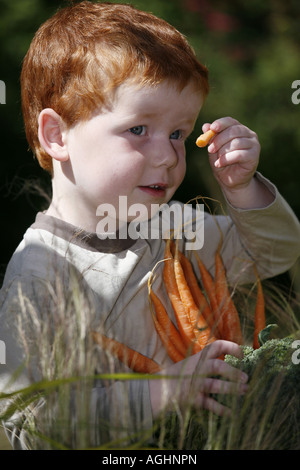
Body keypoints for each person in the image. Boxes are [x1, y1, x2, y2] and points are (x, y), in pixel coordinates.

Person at [1, 0, 300, 450]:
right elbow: (32, 424)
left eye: (178, 133)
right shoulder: (39, 273)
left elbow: (274, 254)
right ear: (57, 135)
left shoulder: (177, 228)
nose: (168, 154)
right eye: (139, 129)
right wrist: (165, 391)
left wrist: (243, 189)